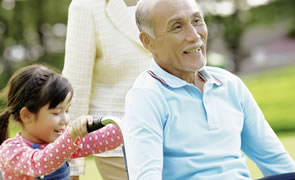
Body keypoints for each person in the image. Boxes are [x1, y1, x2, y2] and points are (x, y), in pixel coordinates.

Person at [122, 0, 295, 179]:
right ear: (148, 42)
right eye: (177, 27)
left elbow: (278, 163)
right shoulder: (145, 97)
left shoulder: (229, 84)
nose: (194, 36)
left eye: (197, 21)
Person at [62, 0, 152, 179]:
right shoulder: (86, 6)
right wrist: (71, 164)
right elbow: (76, 85)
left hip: (175, 136)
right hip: (116, 143)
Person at [0, 64, 122, 180]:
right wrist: (71, 135)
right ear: (27, 116)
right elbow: (40, 163)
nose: (65, 120)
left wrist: (129, 125)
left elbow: (101, 140)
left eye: (67, 110)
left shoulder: (63, 143)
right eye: (56, 112)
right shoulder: (10, 150)